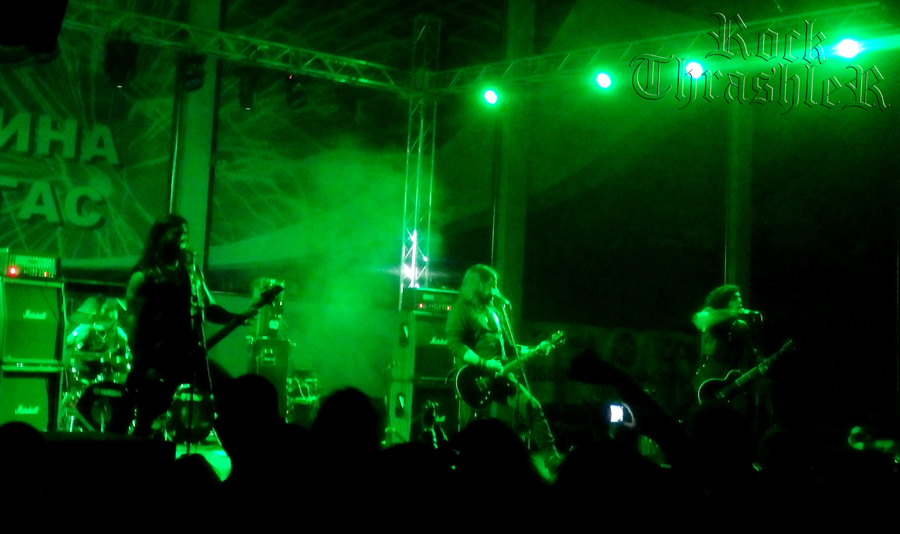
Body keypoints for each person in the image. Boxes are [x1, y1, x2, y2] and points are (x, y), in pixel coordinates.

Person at [124, 214, 250, 438]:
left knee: (231, 392)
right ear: (160, 236)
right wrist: (143, 367)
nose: (183, 238)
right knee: (148, 416)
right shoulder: (143, 276)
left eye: (185, 234)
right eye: (177, 234)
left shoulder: (192, 273)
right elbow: (133, 328)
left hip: (191, 355)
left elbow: (209, 307)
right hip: (159, 359)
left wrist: (236, 317)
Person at [445, 264, 562, 471]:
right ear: (478, 285)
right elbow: (455, 344)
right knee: (471, 428)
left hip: (500, 375)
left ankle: (551, 459)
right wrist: (484, 363)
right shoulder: (461, 309)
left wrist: (536, 349)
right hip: (474, 379)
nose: (495, 289)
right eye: (491, 285)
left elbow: (510, 347)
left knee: (532, 406)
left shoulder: (496, 312)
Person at [691, 284, 772, 433]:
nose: (740, 301)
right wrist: (730, 313)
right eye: (735, 298)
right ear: (725, 300)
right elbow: (700, 320)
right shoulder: (710, 316)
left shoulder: (741, 326)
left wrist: (759, 366)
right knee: (710, 422)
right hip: (709, 376)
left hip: (731, 377)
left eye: (740, 298)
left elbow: (750, 355)